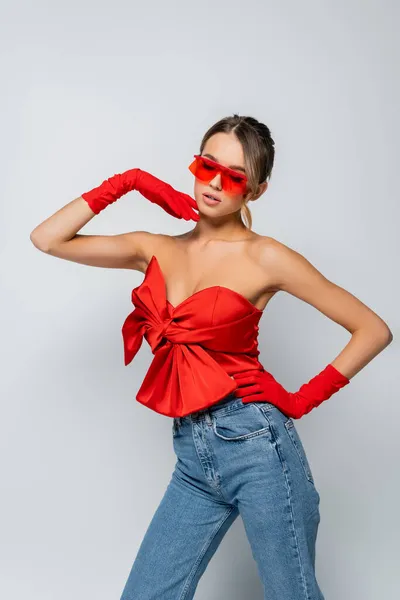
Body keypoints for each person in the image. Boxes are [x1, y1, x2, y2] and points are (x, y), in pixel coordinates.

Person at [30, 114, 393, 600]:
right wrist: (130, 182)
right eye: (207, 166)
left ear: (256, 191)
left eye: (235, 176)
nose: (215, 183)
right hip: (192, 456)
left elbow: (373, 329)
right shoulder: (154, 248)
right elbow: (47, 238)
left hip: (258, 448)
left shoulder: (266, 258)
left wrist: (302, 399)